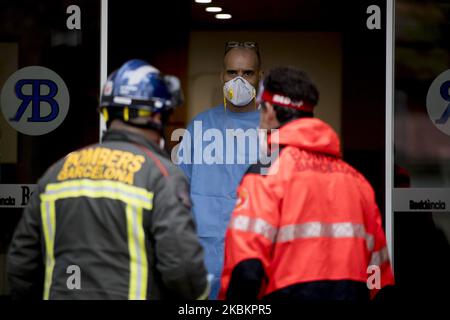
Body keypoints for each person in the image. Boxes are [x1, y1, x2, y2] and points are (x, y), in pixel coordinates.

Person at [7, 59, 209, 300]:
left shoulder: (57, 172)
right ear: (157, 116)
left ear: (107, 112)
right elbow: (183, 270)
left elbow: (21, 265)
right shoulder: (161, 176)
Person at [219, 66, 395, 301]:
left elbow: (247, 267)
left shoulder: (267, 172)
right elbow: (378, 274)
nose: (259, 122)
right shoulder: (357, 181)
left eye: (261, 109)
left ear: (270, 111)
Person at [178, 41, 263, 299]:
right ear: (221, 76)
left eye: (247, 73)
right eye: (232, 73)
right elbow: (179, 191)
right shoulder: (200, 125)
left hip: (254, 256)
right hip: (205, 257)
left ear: (260, 76)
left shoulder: (272, 130)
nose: (239, 80)